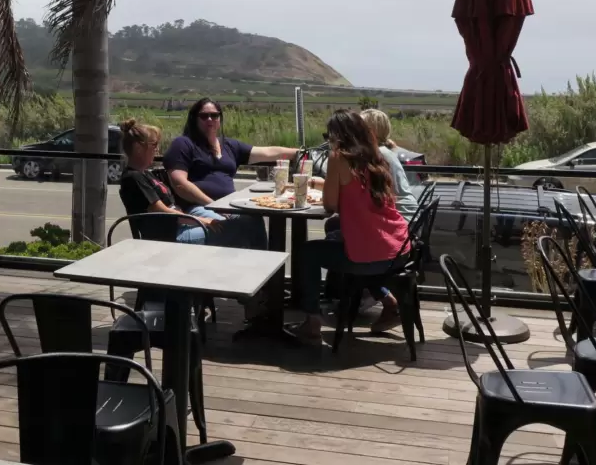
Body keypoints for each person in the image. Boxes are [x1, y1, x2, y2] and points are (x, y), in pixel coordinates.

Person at [292, 110, 411, 343]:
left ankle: (313, 322)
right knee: (336, 233)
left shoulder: (338, 157)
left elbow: (330, 203)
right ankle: (387, 300)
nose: (328, 140)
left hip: (370, 256)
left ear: (338, 135)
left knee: (307, 252)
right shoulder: (378, 156)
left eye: (329, 135)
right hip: (398, 250)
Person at [163, 98, 300, 250]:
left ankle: (262, 265)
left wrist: (299, 153)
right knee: (246, 225)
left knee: (253, 218)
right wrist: (214, 205)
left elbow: (267, 152)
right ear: (194, 118)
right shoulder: (184, 144)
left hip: (228, 207)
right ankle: (265, 266)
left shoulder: (229, 145)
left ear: (220, 118)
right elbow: (180, 184)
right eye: (204, 115)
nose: (210, 119)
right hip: (199, 209)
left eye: (214, 115)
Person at [118, 118, 256, 248]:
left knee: (245, 222)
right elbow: (163, 212)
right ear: (138, 148)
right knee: (240, 227)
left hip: (180, 228)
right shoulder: (133, 178)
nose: (157, 150)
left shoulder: (146, 174)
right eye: (153, 145)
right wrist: (203, 221)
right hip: (169, 239)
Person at [360, 108, 420, 217]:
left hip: (400, 218)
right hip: (409, 215)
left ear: (371, 132)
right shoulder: (385, 151)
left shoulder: (377, 155)